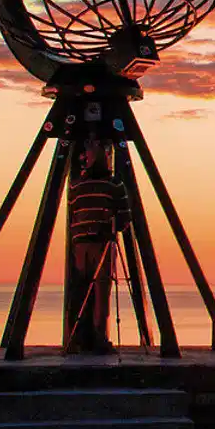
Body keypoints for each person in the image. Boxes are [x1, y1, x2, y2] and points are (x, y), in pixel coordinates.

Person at [65, 134, 131, 354]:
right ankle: (99, 338)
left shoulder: (76, 186)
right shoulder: (114, 185)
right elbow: (124, 216)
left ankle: (78, 337)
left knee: (81, 289)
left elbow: (73, 213)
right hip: (102, 242)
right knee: (102, 290)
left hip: (79, 244)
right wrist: (113, 226)